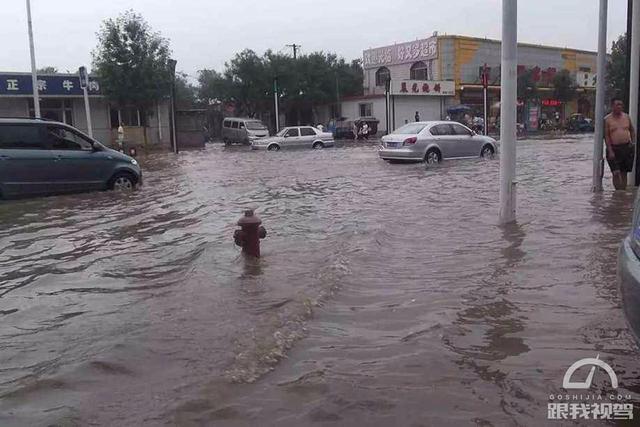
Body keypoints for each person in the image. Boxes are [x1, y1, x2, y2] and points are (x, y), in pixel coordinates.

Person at [605, 97, 636, 190]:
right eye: (617, 104)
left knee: (624, 172)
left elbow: (632, 130)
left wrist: (633, 142)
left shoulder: (626, 117)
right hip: (614, 148)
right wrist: (610, 150)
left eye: (621, 105)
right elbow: (606, 136)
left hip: (626, 147)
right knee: (616, 172)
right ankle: (617, 191)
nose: (619, 107)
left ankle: (623, 192)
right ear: (612, 106)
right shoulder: (607, 119)